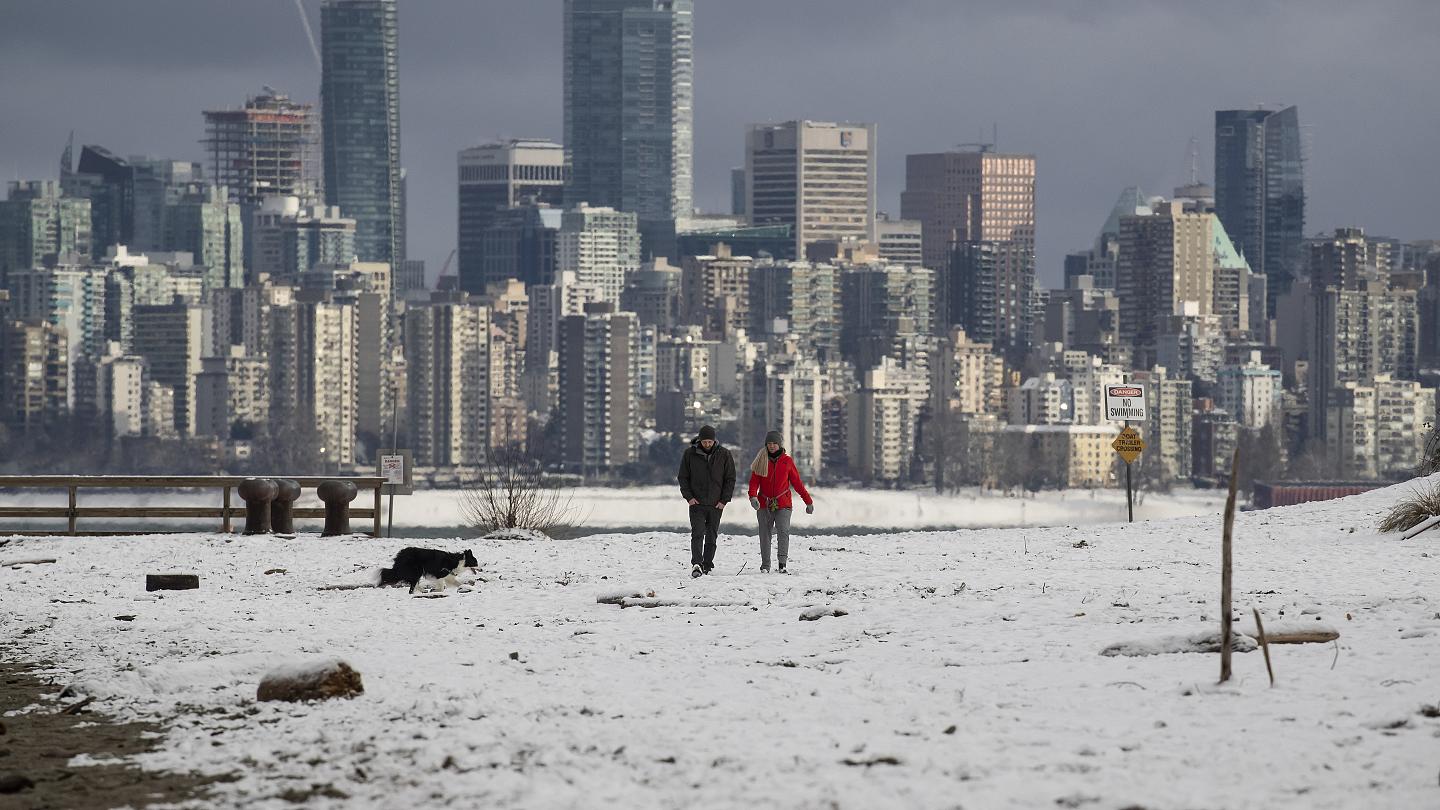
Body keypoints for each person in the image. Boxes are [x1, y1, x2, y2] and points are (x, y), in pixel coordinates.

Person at [747, 430, 814, 573]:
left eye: (774, 443)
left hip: (783, 503)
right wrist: (753, 497)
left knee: (783, 532)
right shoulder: (760, 461)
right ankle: (765, 565)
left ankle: (782, 564)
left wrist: (808, 502)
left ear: (779, 444)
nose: (771, 446)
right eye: (769, 443)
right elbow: (754, 483)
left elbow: (797, 484)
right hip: (763, 503)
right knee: (765, 534)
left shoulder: (787, 461)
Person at [677, 425, 736, 578]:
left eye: (710, 441)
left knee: (711, 535)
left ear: (714, 440)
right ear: (700, 440)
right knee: (697, 533)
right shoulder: (689, 454)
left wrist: (724, 500)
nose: (707, 444)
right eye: (705, 441)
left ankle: (707, 564)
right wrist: (689, 497)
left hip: (716, 504)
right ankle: (697, 563)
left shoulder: (724, 454)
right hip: (696, 503)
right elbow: (683, 477)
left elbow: (730, 479)